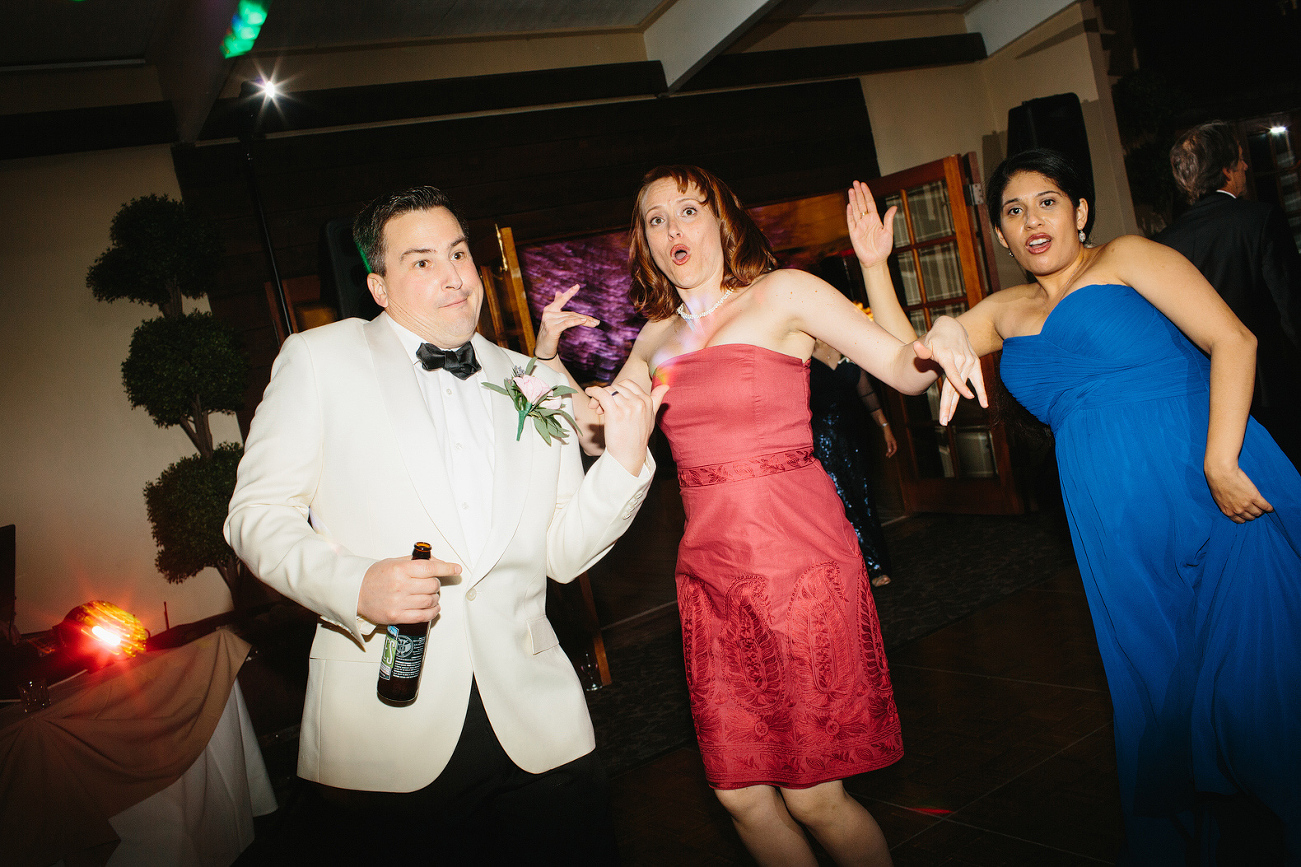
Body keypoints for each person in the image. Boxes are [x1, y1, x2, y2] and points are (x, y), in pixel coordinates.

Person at [852, 150, 1301, 865]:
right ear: (998, 234)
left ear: (1080, 211)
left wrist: (1220, 459)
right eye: (1011, 210)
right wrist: (881, 269)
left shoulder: (1125, 258)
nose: (1031, 220)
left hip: (1211, 483)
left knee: (1256, 681)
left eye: (1047, 202)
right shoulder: (1005, 310)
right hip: (1111, 521)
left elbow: (1233, 339)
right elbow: (910, 367)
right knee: (1158, 687)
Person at [535, 164, 987, 867]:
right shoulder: (654, 335)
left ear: (721, 220)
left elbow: (903, 368)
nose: (671, 228)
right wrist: (546, 361)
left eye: (687, 210)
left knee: (813, 794)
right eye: (654, 219)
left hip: (798, 563)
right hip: (711, 580)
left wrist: (920, 306)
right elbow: (599, 434)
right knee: (740, 794)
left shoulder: (783, 294)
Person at [224, 185, 664, 864]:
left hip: (538, 722)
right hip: (388, 729)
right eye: (422, 261)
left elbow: (563, 552)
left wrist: (625, 464)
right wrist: (354, 584)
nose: (454, 275)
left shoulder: (533, 378)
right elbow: (254, 515)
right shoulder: (319, 361)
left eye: (459, 252)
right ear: (377, 284)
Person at [1155, 120, 1301, 469]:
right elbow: (1291, 307)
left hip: (1207, 398)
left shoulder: (1164, 243)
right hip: (1271, 387)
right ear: (1225, 169)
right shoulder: (1260, 218)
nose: (1247, 165)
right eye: (1240, 158)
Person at [810, 338, 897, 588]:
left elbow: (867, 393)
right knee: (843, 502)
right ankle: (869, 566)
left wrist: (885, 428)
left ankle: (877, 560)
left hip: (856, 436)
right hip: (822, 440)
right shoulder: (802, 354)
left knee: (865, 497)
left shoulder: (849, 349)